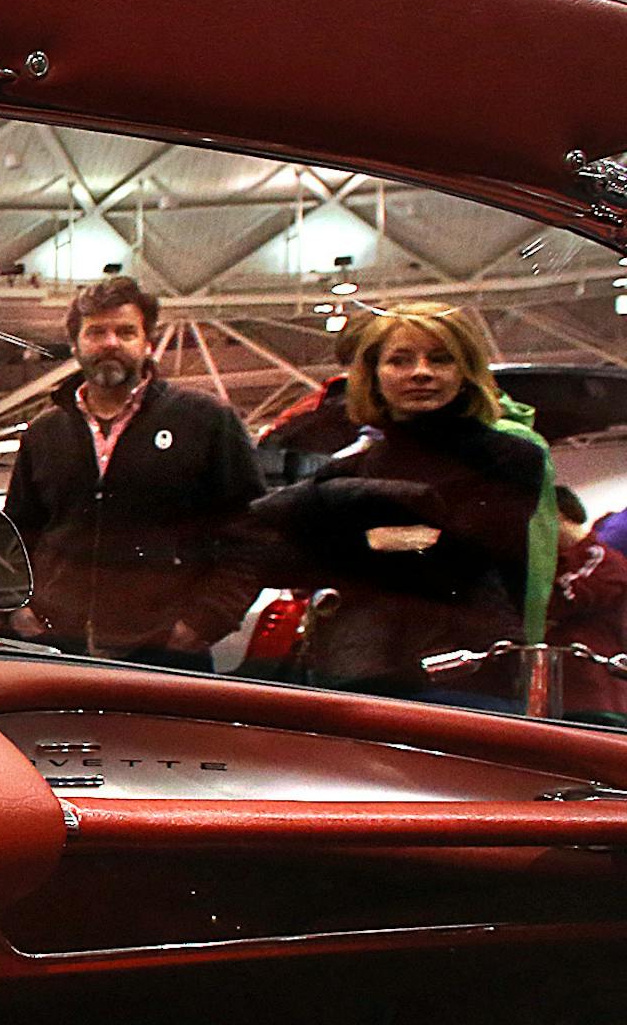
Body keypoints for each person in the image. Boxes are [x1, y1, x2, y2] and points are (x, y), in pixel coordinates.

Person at [252, 304, 544, 704]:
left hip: (469, 676)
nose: (421, 372)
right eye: (400, 360)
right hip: (359, 675)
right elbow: (273, 558)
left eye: (440, 359)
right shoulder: (347, 469)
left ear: (466, 369)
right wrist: (402, 538)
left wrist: (348, 542)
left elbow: (460, 557)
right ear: (373, 374)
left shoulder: (513, 457)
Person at [1, 277, 266, 669]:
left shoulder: (206, 420)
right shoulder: (45, 432)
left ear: (147, 343)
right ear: (75, 345)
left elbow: (251, 535)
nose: (110, 343)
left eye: (125, 332)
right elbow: (15, 536)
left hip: (168, 658)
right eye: (96, 332)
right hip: (55, 651)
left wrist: (202, 622)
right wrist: (18, 611)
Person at [548, 486, 627, 724]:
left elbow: (566, 598)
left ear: (558, 514)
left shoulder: (600, 558)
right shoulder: (556, 565)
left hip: (596, 695)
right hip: (561, 693)